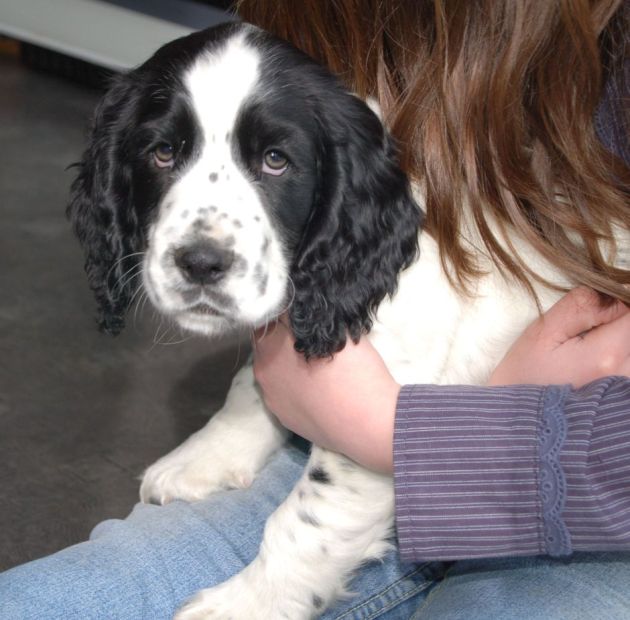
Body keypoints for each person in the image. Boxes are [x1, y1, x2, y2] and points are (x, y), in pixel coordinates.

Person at [2, 1, 629, 619]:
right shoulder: (372, 113)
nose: (205, 238)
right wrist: (251, 416)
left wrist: (277, 588)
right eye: (165, 152)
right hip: (410, 444)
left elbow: (387, 386)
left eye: (274, 158)